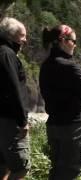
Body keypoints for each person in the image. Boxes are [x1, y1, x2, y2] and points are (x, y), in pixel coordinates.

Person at [39, 25, 81, 180]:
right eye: (73, 41)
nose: (75, 45)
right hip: (72, 127)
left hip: (54, 125)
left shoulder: (45, 66)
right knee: (71, 171)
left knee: (57, 170)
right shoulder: (68, 65)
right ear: (63, 41)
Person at [0, 17, 30, 180]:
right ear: (11, 35)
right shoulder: (7, 54)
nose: (25, 40)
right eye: (22, 36)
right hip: (9, 121)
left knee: (3, 166)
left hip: (3, 118)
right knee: (20, 167)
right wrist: (22, 121)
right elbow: (13, 88)